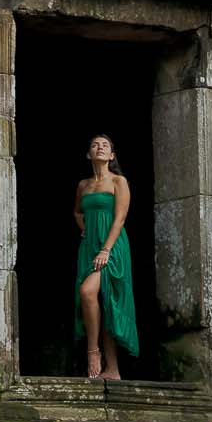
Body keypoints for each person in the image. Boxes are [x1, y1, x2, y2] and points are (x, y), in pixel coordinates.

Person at [75, 134, 140, 380]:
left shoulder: (118, 181)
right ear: (88, 154)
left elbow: (120, 218)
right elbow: (77, 211)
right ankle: (112, 370)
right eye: (94, 144)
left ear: (112, 155)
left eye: (105, 145)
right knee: (106, 304)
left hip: (112, 247)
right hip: (90, 247)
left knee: (88, 292)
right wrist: (84, 228)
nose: (100, 147)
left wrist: (106, 249)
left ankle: (93, 353)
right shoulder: (83, 185)